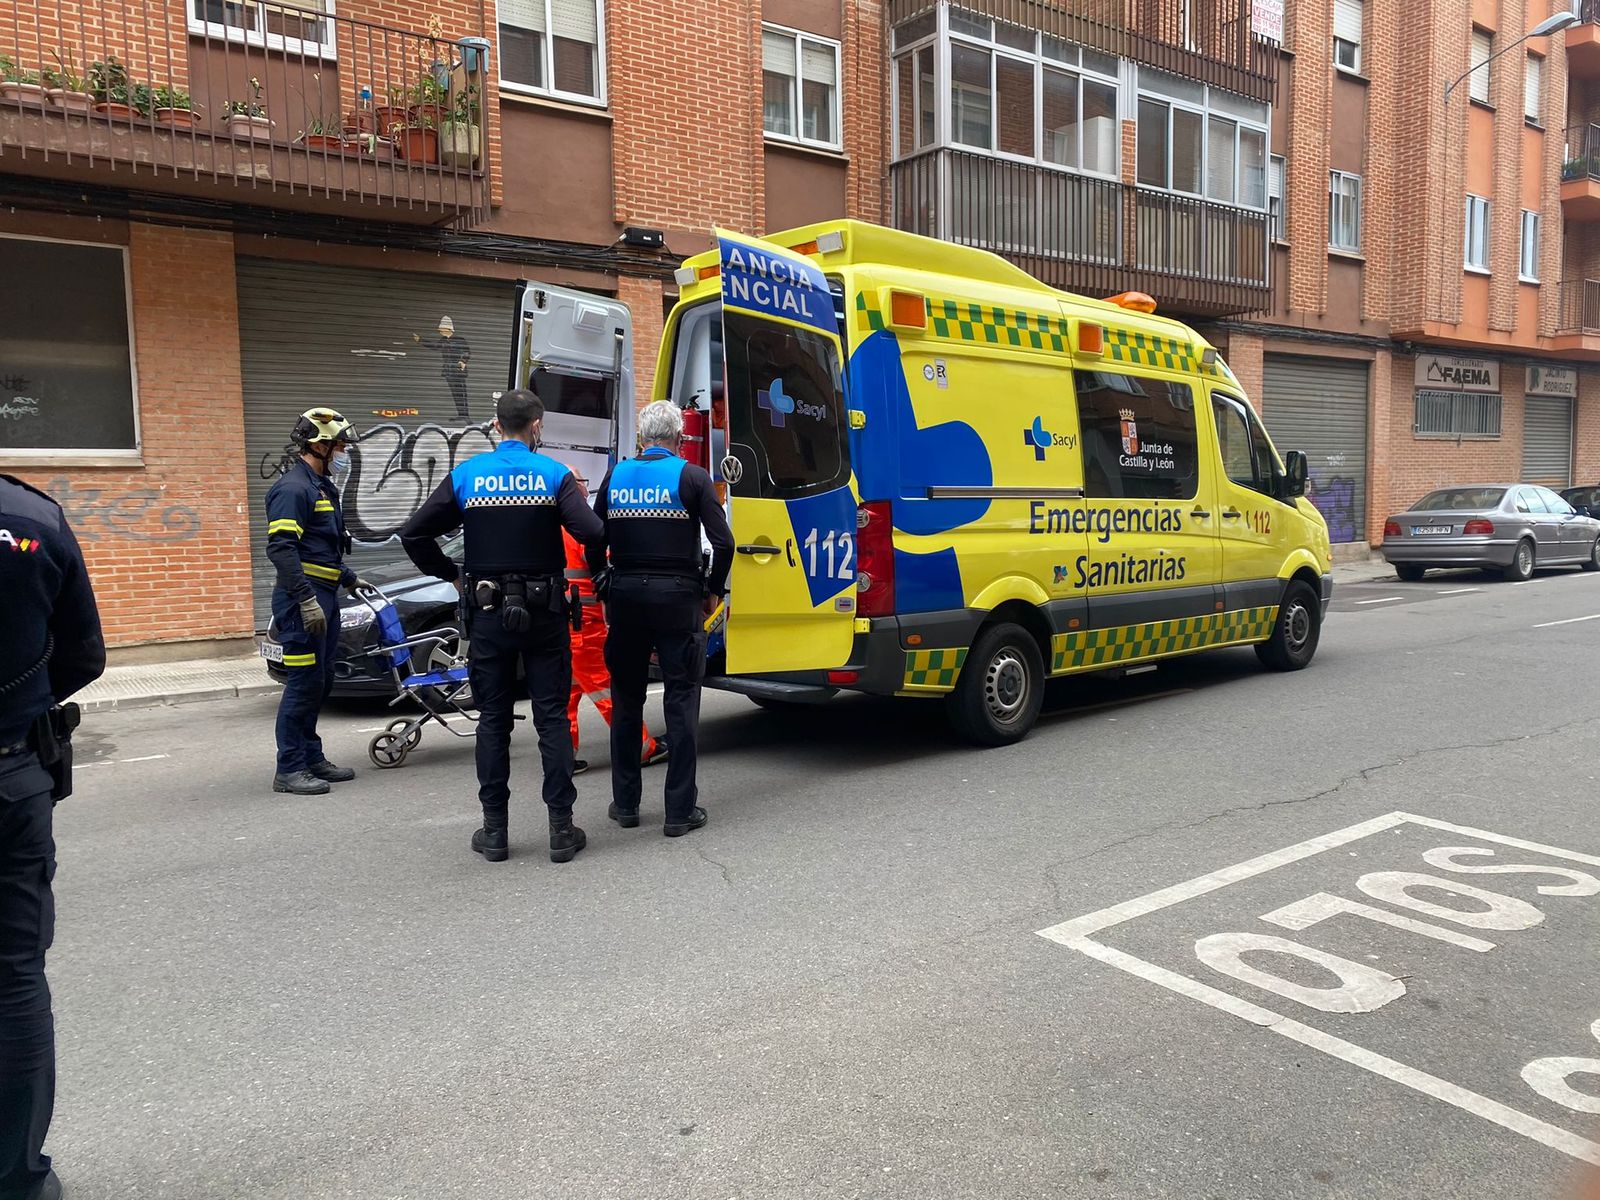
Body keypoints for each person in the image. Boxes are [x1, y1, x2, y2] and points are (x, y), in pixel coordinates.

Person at [399, 389, 603, 864]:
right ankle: (560, 830)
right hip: (547, 613)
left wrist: (452, 575)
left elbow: (414, 533)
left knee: (493, 721)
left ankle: (495, 833)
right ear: (537, 426)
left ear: (496, 426)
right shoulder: (554, 475)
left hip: (487, 614)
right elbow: (592, 533)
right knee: (551, 718)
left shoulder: (467, 475)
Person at [0, 475, 105, 1200]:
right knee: (12, 978)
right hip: (10, 772)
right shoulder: (29, 516)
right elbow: (83, 653)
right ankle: (17, 1180)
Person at [589, 401, 732, 838]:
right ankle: (678, 812)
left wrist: (603, 581)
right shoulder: (691, 477)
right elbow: (723, 542)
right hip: (677, 600)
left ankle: (626, 805)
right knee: (681, 701)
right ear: (679, 438)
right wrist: (712, 590)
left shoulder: (616, 476)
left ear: (641, 440)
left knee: (628, 701)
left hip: (627, 599)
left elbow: (595, 535)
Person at [265, 409, 367, 796]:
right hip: (301, 603)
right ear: (319, 445)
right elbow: (282, 549)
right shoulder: (294, 489)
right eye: (339, 446)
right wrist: (306, 599)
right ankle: (288, 768)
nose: (343, 453)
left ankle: (310, 756)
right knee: (303, 684)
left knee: (320, 682)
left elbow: (320, 549)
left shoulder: (322, 486)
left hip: (324, 597)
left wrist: (348, 578)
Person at [562, 475, 668, 776]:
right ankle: (643, 747)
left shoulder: (550, 523)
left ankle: (562, 758)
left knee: (565, 696)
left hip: (562, 623)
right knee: (607, 690)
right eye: (582, 479)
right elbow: (603, 556)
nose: (586, 484)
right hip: (586, 622)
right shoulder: (578, 523)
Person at [412, 315, 472, 422]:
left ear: (448, 329)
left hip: (458, 369)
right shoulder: (443, 341)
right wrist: (420, 340)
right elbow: (434, 346)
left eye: (441, 329)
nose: (440, 331)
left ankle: (466, 415)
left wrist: (463, 361)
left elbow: (467, 351)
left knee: (462, 392)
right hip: (448, 370)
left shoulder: (460, 340)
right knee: (455, 393)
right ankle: (461, 414)